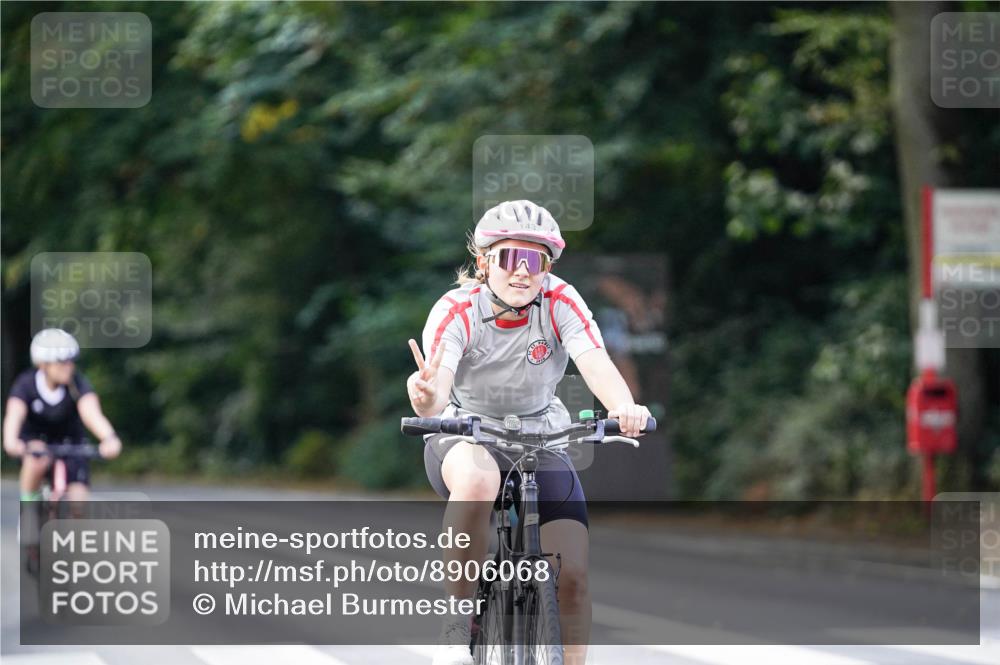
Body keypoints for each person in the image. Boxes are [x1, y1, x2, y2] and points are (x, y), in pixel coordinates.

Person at [407, 200, 652, 665]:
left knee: (573, 576)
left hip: (542, 437)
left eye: (535, 261)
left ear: (547, 268)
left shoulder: (561, 301)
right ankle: (456, 622)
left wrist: (623, 406)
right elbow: (434, 393)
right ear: (484, 262)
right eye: (510, 257)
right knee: (479, 480)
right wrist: (424, 396)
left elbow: (595, 362)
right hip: (466, 433)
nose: (522, 271)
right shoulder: (457, 310)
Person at [3, 328, 121, 504]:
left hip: (72, 445)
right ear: (43, 364)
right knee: (36, 459)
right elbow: (14, 413)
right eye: (62, 362)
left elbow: (91, 413)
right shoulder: (26, 384)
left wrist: (109, 438)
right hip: (36, 444)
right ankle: (28, 508)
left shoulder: (77, 384)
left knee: (79, 502)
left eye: (71, 361)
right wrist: (11, 441)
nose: (69, 367)